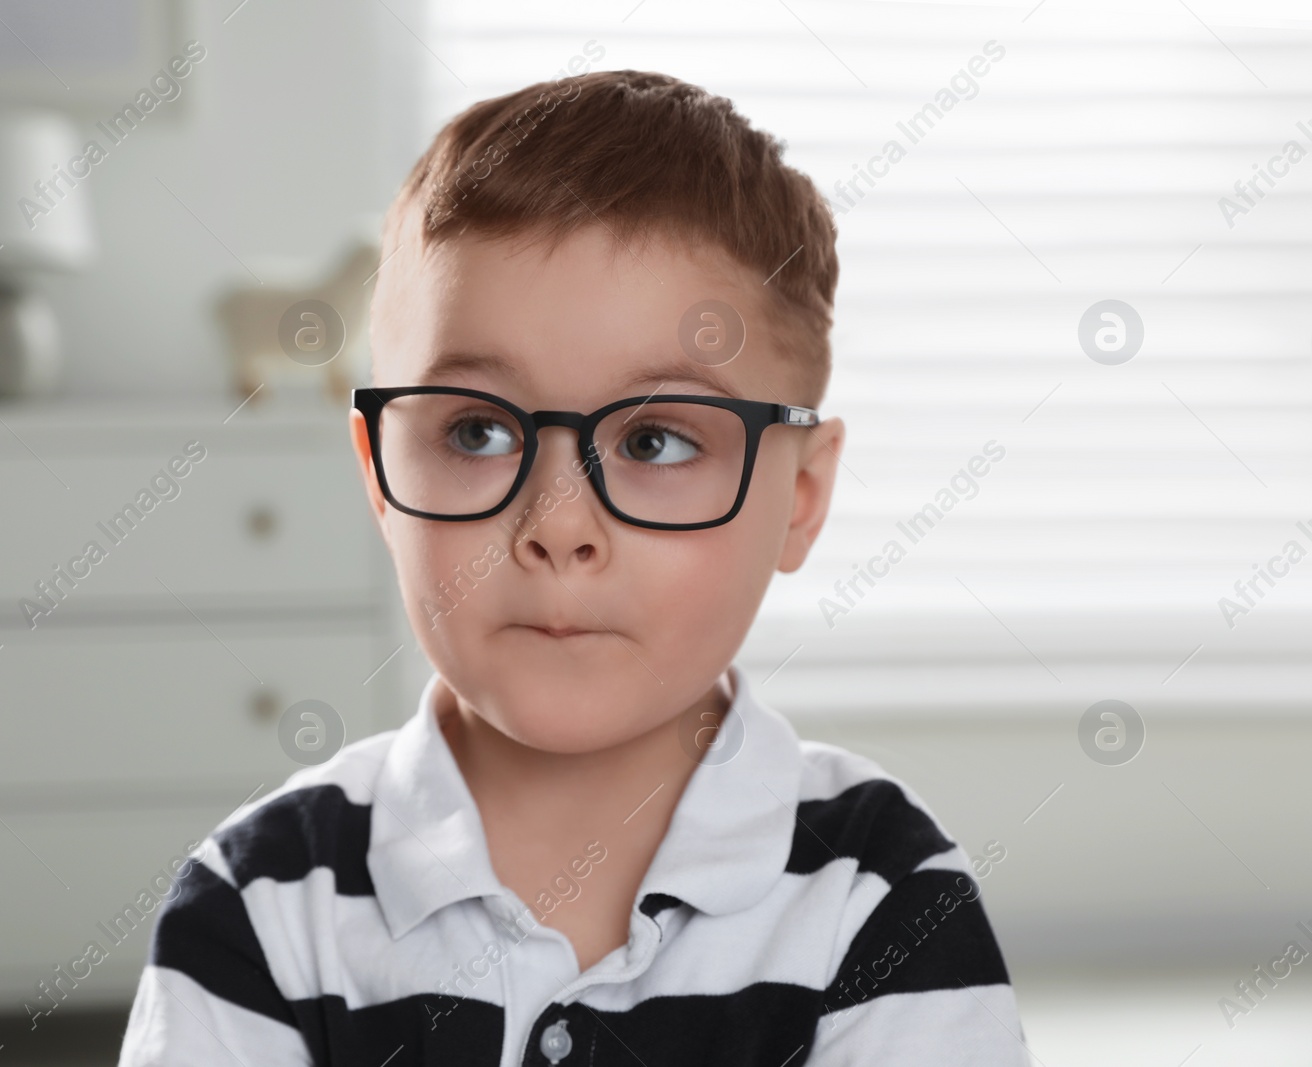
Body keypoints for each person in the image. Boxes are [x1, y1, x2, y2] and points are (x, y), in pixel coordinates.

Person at [118, 68, 1028, 1066]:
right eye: (475, 430)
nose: (558, 526)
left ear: (799, 498)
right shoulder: (259, 909)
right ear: (379, 477)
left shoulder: (881, 894)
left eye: (656, 443)